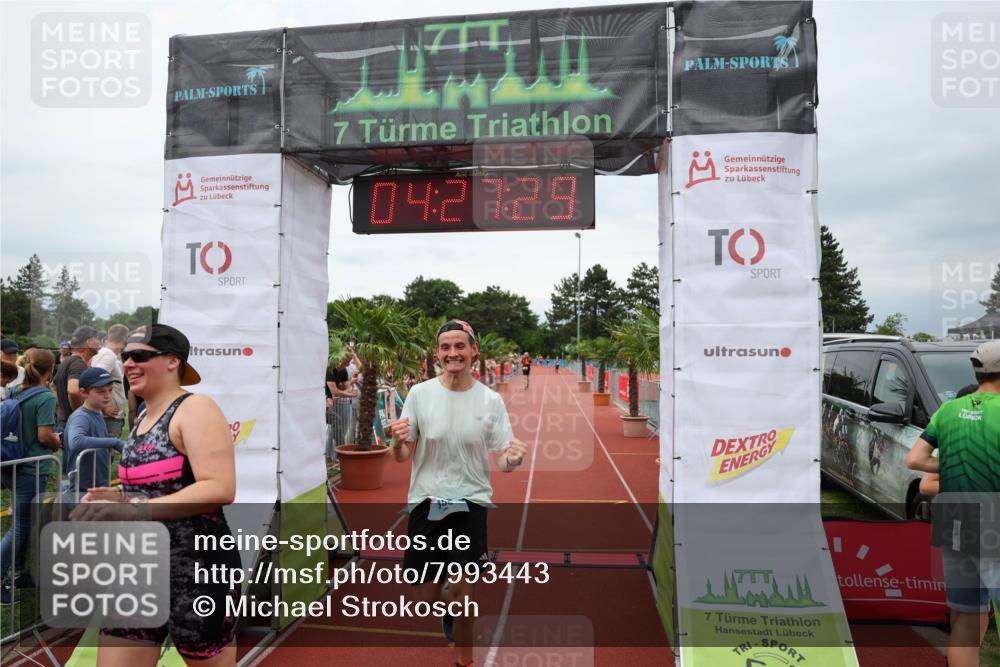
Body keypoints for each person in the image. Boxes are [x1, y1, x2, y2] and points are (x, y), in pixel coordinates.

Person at [71, 323, 241, 667]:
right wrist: (117, 498)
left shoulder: (196, 409)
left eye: (139, 356)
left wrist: (134, 509)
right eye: (126, 356)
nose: (128, 364)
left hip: (196, 571)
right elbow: (157, 489)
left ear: (172, 361)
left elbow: (220, 487)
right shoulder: (144, 417)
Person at [389, 319, 528, 667]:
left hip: (470, 502)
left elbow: (503, 460)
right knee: (425, 597)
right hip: (427, 502)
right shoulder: (420, 395)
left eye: (460, 346)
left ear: (473, 350)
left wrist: (512, 460)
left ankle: (464, 661)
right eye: (446, 347)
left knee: (464, 594)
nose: (453, 353)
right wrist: (395, 441)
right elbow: (402, 455)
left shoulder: (490, 401)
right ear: (438, 353)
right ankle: (447, 608)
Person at [906, 341, 1000, 667]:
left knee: (966, 619)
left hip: (954, 518)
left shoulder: (948, 410)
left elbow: (915, 460)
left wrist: (957, 463)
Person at [0, 348, 60, 605]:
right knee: (20, 527)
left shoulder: (16, 391)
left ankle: (17, 573)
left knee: (21, 522)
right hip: (32, 469)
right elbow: (44, 435)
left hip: (12, 464)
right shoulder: (45, 396)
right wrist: (58, 442)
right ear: (50, 369)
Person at [63, 368, 125, 495]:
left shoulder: (97, 413)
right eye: (100, 391)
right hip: (83, 489)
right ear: (83, 393)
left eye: (110, 390)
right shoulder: (81, 416)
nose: (107, 395)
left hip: (96, 484)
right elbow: (76, 441)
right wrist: (114, 442)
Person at [53, 325, 100, 432]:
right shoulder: (78, 364)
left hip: (65, 422)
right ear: (89, 342)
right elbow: (73, 391)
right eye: (97, 338)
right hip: (75, 426)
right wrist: (82, 415)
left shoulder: (67, 361)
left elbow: (54, 387)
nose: (99, 342)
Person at [90, 323, 128, 438]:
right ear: (125, 339)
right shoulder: (109, 356)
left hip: (107, 415)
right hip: (109, 418)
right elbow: (94, 379)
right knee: (107, 449)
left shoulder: (102, 353)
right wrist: (103, 407)